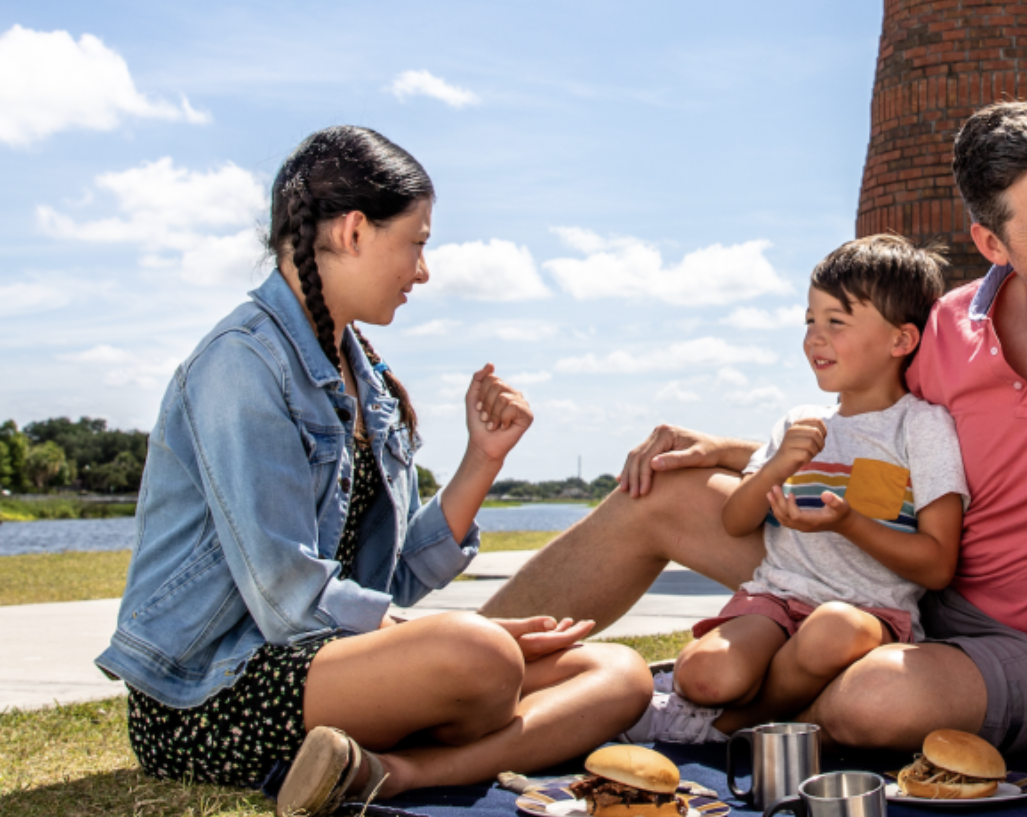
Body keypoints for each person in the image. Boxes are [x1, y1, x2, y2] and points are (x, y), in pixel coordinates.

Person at [486, 101, 1027, 752]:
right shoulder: (951, 326)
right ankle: (453, 676)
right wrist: (733, 450)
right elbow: (872, 439)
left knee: (875, 697)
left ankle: (715, 714)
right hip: (910, 590)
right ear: (990, 242)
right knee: (661, 492)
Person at [96, 127, 652, 816]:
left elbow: (390, 585)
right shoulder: (242, 364)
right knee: (480, 656)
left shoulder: (367, 379)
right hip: (211, 689)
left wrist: (483, 459)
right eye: (417, 243)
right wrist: (460, 642)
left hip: (331, 665)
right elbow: (286, 597)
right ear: (354, 231)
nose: (423, 270)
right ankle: (441, 717)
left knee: (618, 673)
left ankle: (388, 772)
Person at [636, 235, 969, 743]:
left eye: (837, 322)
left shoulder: (921, 429)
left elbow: (939, 564)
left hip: (869, 614)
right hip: (777, 600)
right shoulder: (799, 422)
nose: (815, 337)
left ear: (901, 341)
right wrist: (774, 468)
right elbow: (736, 521)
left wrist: (848, 523)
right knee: (704, 675)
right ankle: (737, 707)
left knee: (832, 629)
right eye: (810, 321)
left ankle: (732, 726)